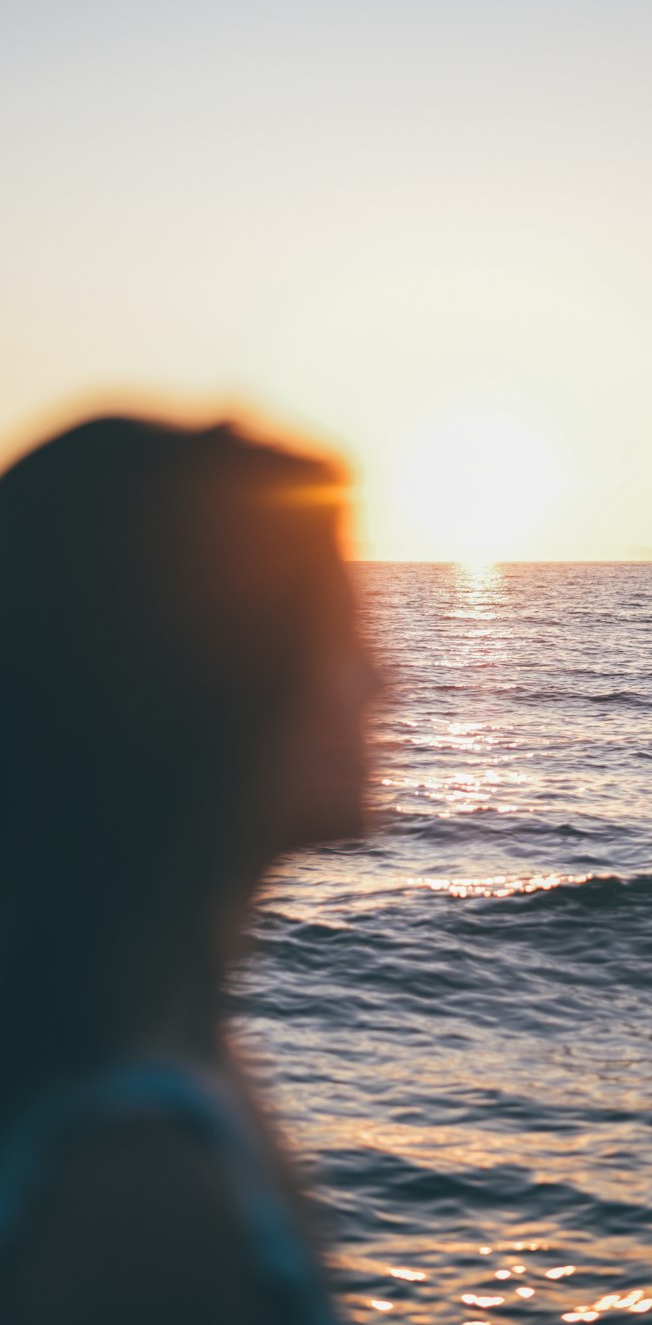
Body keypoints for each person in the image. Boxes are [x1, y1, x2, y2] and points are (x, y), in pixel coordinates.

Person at [0, 412, 379, 1323]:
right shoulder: (139, 1181)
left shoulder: (179, 1043)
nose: (378, 676)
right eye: (340, 632)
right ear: (216, 677)